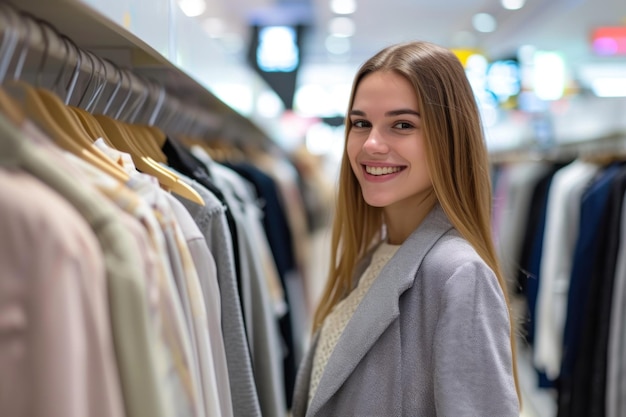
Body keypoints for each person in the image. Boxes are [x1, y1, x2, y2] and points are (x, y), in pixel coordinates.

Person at [290, 41, 521, 416]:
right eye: (361, 123)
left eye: (402, 125)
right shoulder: (370, 258)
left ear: (449, 139)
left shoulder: (458, 274)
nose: (372, 144)